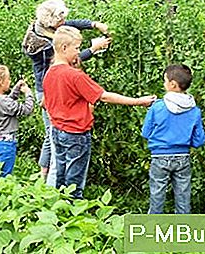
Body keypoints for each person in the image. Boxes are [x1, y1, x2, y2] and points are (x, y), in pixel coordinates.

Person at [43, 26, 156, 199]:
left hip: (57, 131)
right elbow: (103, 96)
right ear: (64, 48)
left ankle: (57, 213)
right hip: (76, 134)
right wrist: (138, 101)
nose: (78, 53)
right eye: (77, 48)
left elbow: (45, 103)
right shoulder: (74, 76)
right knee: (74, 182)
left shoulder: (49, 73)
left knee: (60, 177)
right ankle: (74, 215)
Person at [21, 0, 112, 185]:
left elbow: (72, 24)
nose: (65, 22)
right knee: (56, 137)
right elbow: (65, 61)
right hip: (48, 89)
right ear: (52, 23)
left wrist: (94, 24)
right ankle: (51, 184)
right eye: (60, 20)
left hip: (53, 86)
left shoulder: (46, 27)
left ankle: (44, 176)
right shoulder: (45, 44)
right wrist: (93, 49)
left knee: (52, 134)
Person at [142, 64, 205, 214]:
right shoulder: (194, 110)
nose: (164, 84)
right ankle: (183, 231)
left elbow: (146, 132)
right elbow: (199, 140)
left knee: (157, 196)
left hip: (159, 157)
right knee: (183, 197)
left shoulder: (157, 107)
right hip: (183, 157)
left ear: (172, 84)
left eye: (165, 80)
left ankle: (153, 229)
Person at [0, 65, 34, 177]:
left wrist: (16, 88)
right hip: (6, 144)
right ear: (0, 82)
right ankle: (4, 192)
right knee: (6, 175)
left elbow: (9, 102)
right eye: (8, 79)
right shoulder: (3, 101)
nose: (9, 81)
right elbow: (26, 109)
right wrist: (28, 93)